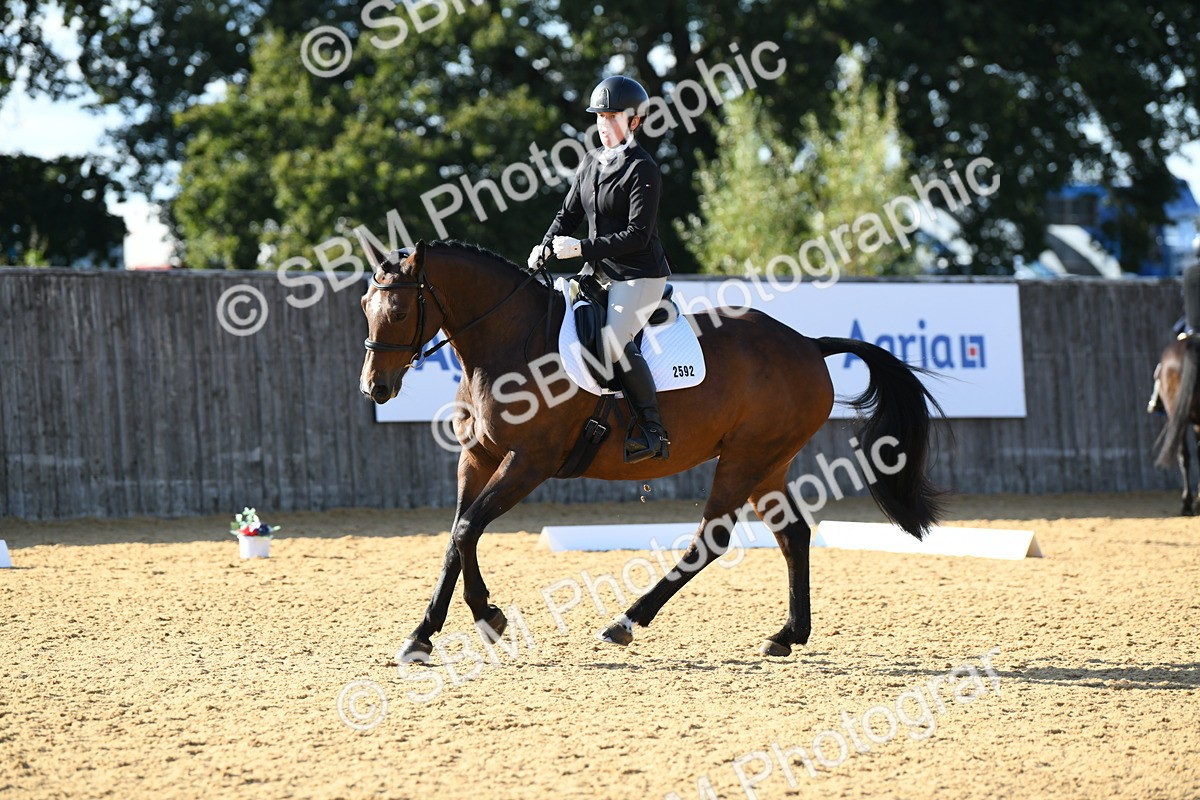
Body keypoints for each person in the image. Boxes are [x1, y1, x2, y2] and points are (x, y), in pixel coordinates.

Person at [528, 75, 671, 463]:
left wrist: (581, 248)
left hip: (637, 276)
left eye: (612, 117)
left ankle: (653, 430)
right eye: (600, 117)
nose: (603, 125)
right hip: (598, 275)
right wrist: (544, 245)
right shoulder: (591, 163)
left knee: (611, 341)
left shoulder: (643, 169)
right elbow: (568, 214)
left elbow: (638, 235)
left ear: (634, 122)